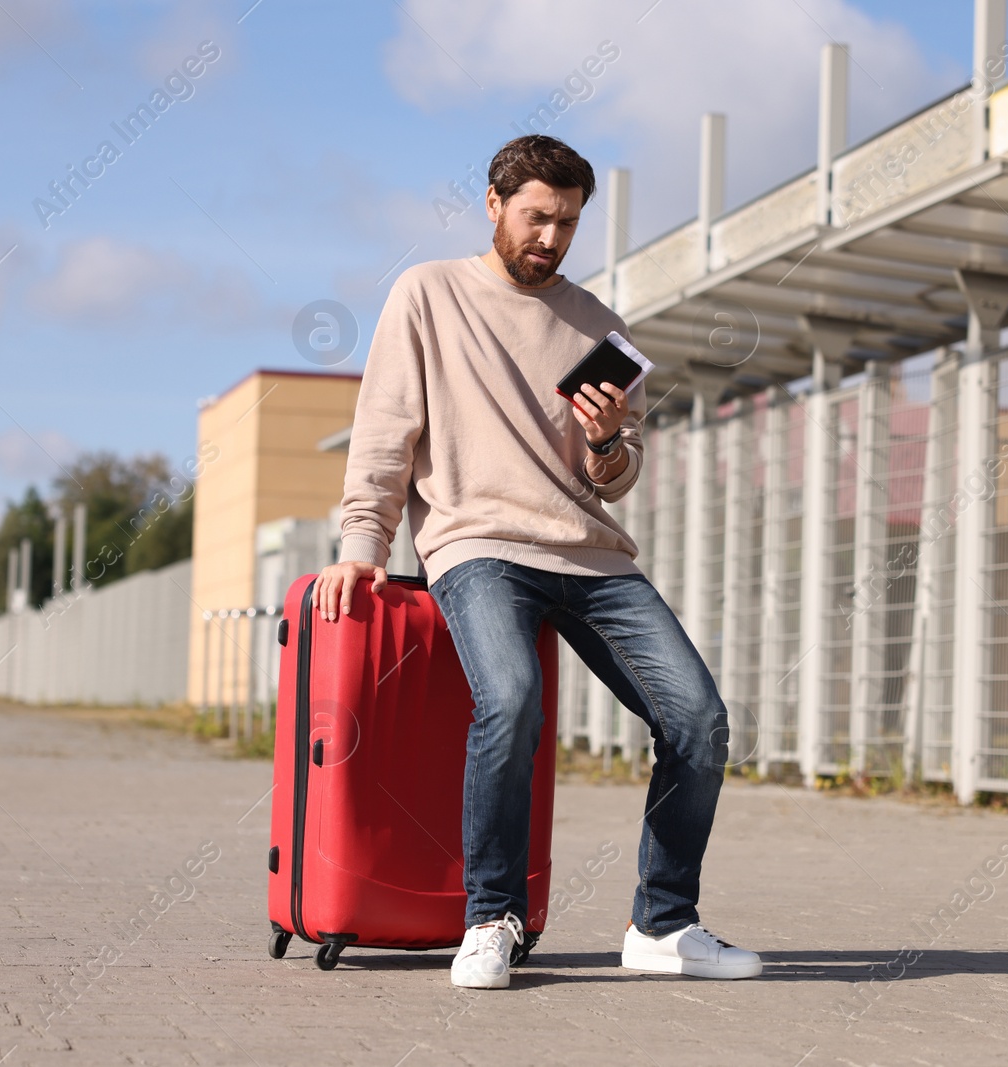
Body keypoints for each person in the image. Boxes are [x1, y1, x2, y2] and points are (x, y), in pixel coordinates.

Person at [316, 134, 760, 989]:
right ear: (493, 205)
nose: (550, 237)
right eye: (536, 216)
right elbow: (383, 432)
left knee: (699, 722)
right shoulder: (429, 293)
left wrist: (602, 441)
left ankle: (662, 924)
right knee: (512, 701)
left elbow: (618, 477)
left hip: (590, 555)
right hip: (477, 543)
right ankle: (491, 917)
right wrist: (360, 547)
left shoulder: (603, 328)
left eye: (567, 221)